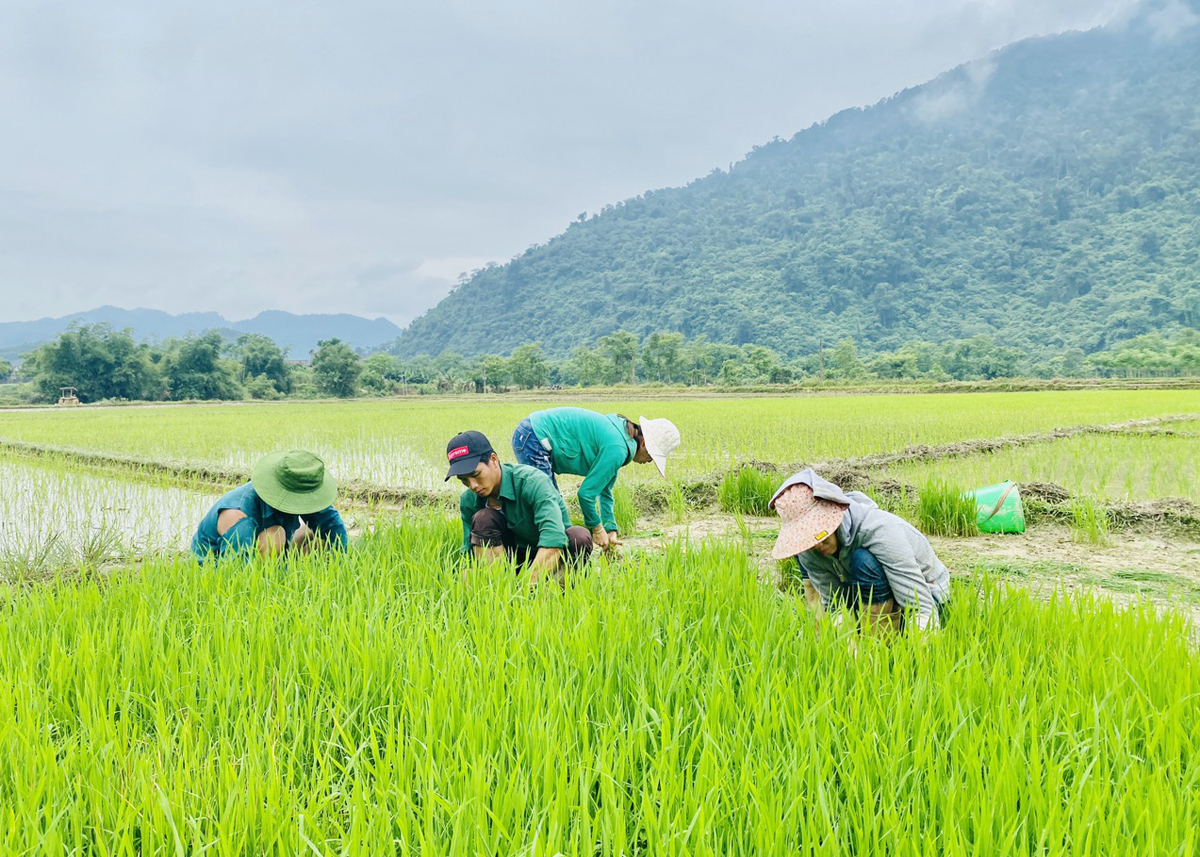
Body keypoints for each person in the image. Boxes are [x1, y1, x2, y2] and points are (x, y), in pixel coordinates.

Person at [769, 468, 950, 632]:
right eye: (806, 538)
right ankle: (858, 639)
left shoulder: (881, 531)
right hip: (861, 591)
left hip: (927, 596)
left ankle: (882, 642)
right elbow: (835, 604)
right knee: (804, 556)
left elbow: (921, 606)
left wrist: (920, 652)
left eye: (819, 535)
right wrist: (847, 647)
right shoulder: (811, 550)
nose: (817, 544)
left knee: (862, 559)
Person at [510, 407, 681, 552]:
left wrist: (610, 528)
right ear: (644, 444)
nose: (649, 462)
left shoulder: (621, 440)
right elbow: (585, 494)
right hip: (534, 437)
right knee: (552, 508)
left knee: (555, 512)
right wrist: (597, 528)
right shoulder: (618, 448)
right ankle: (548, 558)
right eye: (652, 457)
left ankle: (559, 557)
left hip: (532, 433)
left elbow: (605, 489)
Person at [447, 429, 593, 585]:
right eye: (464, 480)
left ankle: (561, 592)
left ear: (494, 459)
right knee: (483, 518)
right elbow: (469, 554)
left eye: (476, 475)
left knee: (579, 536)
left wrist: (525, 587)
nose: (473, 485)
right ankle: (498, 588)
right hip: (511, 562)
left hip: (550, 559)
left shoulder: (533, 482)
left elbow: (554, 539)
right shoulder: (470, 501)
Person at [191, 449, 348, 560]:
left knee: (316, 535)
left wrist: (343, 565)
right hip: (220, 562)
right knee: (275, 534)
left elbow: (332, 526)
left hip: (269, 549)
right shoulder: (237, 515)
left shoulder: (303, 489)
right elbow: (236, 569)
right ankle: (274, 573)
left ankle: (285, 566)